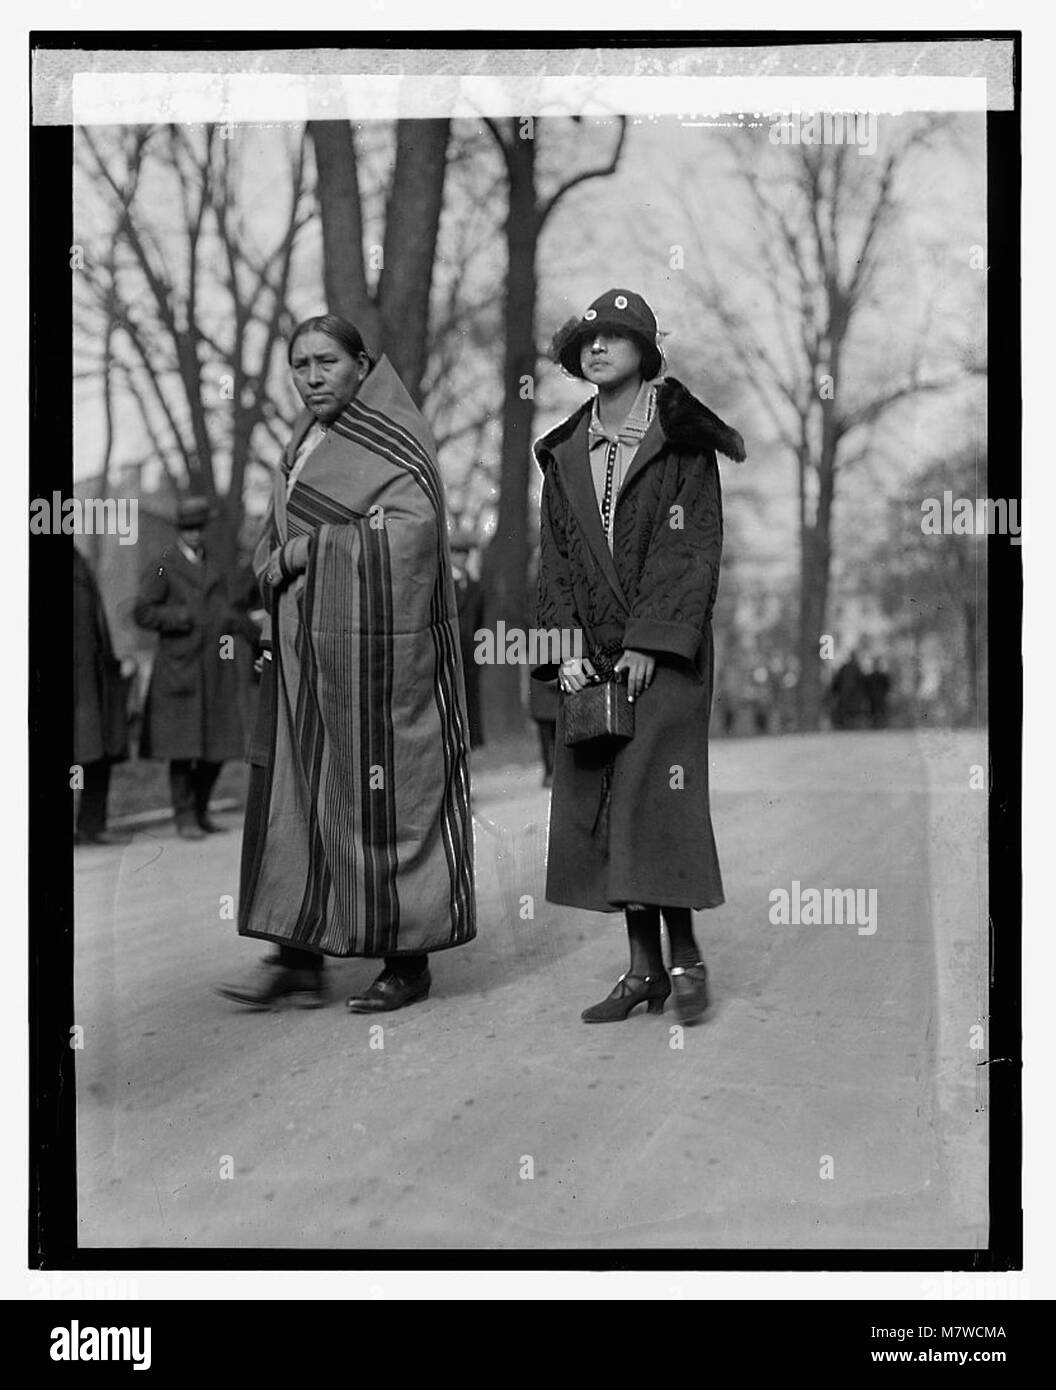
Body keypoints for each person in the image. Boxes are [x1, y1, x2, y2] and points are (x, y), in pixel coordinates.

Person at [218, 314, 476, 1013]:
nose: (311, 377)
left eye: (326, 361)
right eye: (299, 364)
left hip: (377, 653)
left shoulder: (394, 438)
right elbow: (283, 525)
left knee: (384, 790)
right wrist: (273, 555)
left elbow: (410, 539)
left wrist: (309, 553)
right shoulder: (307, 441)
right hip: (305, 648)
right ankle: (297, 955)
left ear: (362, 365)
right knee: (297, 793)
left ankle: (407, 958)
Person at [533, 288, 745, 1025]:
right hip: (591, 659)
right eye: (587, 340)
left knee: (661, 801)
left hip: (666, 654)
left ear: (647, 352)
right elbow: (554, 560)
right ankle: (642, 970)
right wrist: (562, 649)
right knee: (611, 803)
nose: (597, 348)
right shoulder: (561, 452)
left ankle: (684, 956)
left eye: (616, 337)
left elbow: (690, 550)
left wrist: (652, 643)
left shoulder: (684, 438)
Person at [134, 496, 246, 839]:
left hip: (213, 668)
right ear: (180, 530)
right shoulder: (164, 565)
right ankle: (185, 818)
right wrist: (181, 617)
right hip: (179, 669)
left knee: (217, 748)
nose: (195, 535)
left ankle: (200, 810)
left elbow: (226, 609)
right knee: (182, 750)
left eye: (199, 528)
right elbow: (142, 612)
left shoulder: (213, 564)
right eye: (188, 528)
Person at [74, 546, 134, 846]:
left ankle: (92, 824)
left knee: (100, 753)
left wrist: (113, 661)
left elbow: (96, 624)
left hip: (93, 679)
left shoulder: (81, 564)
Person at [449, 527, 485, 749]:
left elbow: (478, 619)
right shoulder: (445, 585)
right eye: (457, 552)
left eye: (465, 553)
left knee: (471, 695)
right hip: (452, 650)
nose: (461, 557)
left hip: (470, 651)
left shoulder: (474, 585)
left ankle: (473, 740)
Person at [830, 650, 866, 730]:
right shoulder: (849, 668)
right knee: (847, 714)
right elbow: (837, 682)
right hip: (848, 697)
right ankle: (846, 728)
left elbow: (862, 684)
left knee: (851, 714)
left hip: (850, 697)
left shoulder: (854, 669)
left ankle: (850, 728)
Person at [864, 656, 892, 729]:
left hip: (880, 697)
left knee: (880, 711)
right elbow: (866, 687)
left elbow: (887, 687)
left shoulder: (882, 676)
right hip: (873, 698)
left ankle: (881, 725)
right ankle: (875, 725)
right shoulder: (870, 676)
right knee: (874, 712)